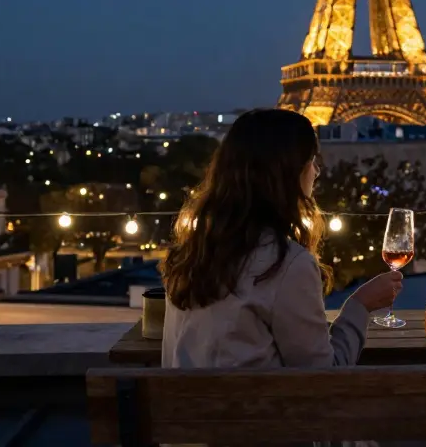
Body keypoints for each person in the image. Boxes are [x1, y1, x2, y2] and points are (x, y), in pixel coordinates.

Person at [160, 108, 402, 369]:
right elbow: (324, 375)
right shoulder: (286, 263)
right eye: (312, 160)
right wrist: (360, 305)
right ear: (289, 173)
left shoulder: (195, 250)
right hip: (255, 409)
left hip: (188, 408)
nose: (317, 171)